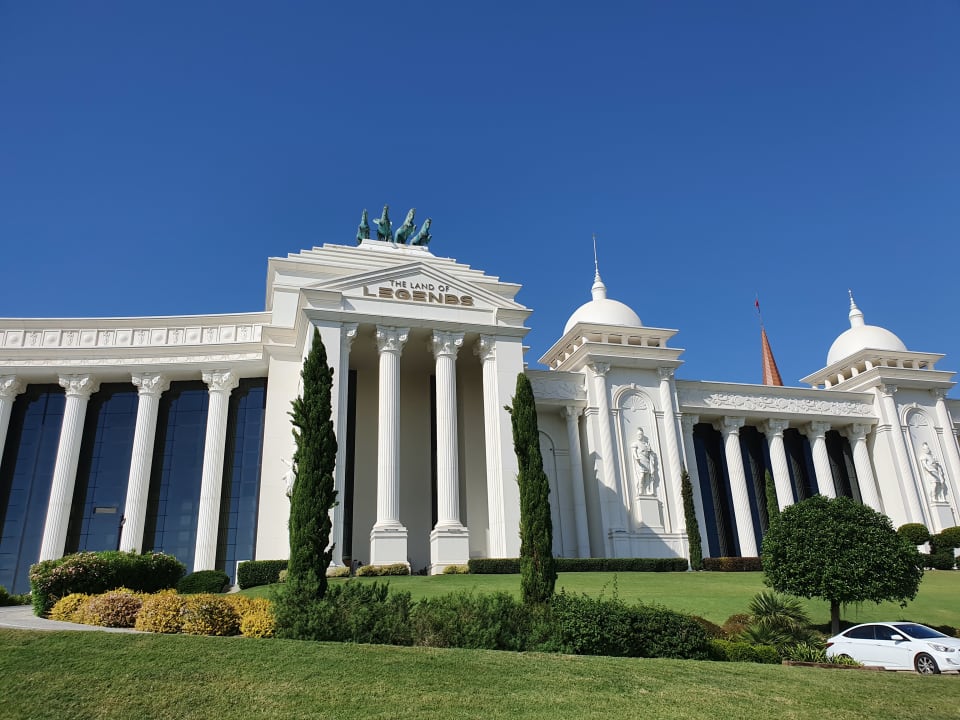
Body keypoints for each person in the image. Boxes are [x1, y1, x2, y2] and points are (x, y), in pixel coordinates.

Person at [632, 428, 659, 497]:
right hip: (640, 462)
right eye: (638, 434)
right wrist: (636, 457)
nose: (639, 436)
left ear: (642, 435)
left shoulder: (646, 444)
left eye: (640, 434)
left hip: (646, 461)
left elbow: (650, 453)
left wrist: (649, 450)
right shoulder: (636, 443)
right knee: (641, 476)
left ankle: (648, 490)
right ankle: (640, 490)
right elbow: (634, 451)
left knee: (647, 477)